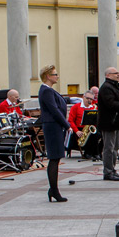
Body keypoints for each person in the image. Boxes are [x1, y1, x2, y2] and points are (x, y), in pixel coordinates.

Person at [37, 65, 70, 202]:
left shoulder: (49, 90)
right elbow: (54, 110)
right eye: (55, 74)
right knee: (54, 158)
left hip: (54, 126)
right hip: (52, 126)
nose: (57, 76)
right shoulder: (46, 91)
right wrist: (66, 125)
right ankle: (54, 190)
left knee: (56, 158)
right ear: (48, 76)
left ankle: (53, 189)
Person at [97, 67, 119, 181]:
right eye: (115, 73)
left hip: (116, 122)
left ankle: (112, 169)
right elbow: (111, 104)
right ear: (108, 75)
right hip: (109, 122)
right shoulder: (106, 88)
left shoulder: (114, 87)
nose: (118, 74)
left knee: (115, 147)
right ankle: (108, 171)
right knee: (109, 148)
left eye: (118, 73)